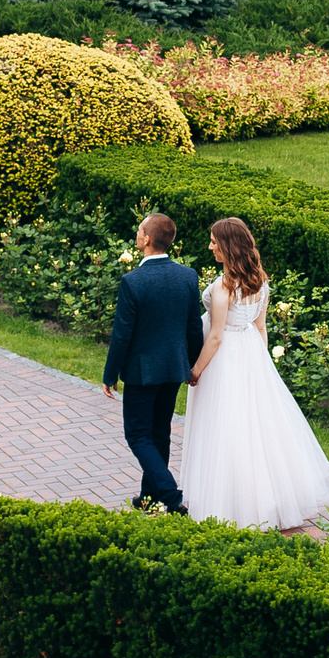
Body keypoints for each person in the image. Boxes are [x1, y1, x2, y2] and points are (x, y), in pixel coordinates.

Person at [175, 216, 329, 531]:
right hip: (251, 353)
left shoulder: (224, 286)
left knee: (224, 428)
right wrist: (261, 366)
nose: (210, 246)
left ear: (227, 246)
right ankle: (263, 500)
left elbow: (215, 336)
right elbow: (260, 328)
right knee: (254, 428)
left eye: (214, 242)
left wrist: (195, 370)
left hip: (225, 359)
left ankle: (229, 505)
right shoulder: (260, 281)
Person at [101, 211, 203, 512]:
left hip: (142, 373)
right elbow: (193, 327)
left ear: (146, 239)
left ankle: (171, 497)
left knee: (137, 435)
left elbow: (122, 335)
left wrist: (110, 374)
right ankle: (149, 498)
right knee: (159, 432)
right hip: (173, 368)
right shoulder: (188, 276)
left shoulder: (133, 281)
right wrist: (192, 365)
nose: (137, 232)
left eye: (140, 228)